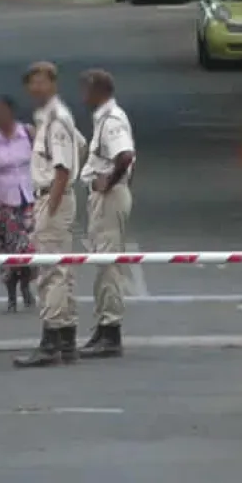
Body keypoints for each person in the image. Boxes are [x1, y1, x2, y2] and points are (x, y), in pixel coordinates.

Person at [15, 61, 85, 369]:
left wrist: (51, 206)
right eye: (32, 83)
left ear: (53, 84)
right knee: (62, 270)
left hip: (52, 198)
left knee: (51, 272)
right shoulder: (50, 117)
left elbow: (63, 168)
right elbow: (81, 145)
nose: (36, 88)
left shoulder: (56, 119)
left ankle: (51, 341)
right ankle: (67, 339)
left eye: (41, 82)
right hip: (55, 197)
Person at [78, 69, 137, 358]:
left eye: (85, 90)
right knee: (102, 262)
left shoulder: (111, 120)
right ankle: (103, 325)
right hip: (107, 196)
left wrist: (110, 182)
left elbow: (125, 155)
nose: (82, 97)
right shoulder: (104, 118)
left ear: (97, 90)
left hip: (109, 197)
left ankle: (111, 330)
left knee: (108, 262)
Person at [0, 96, 36, 312]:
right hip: (3, 203)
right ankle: (12, 295)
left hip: (27, 199)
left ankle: (26, 286)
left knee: (28, 248)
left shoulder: (27, 133)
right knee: (8, 251)